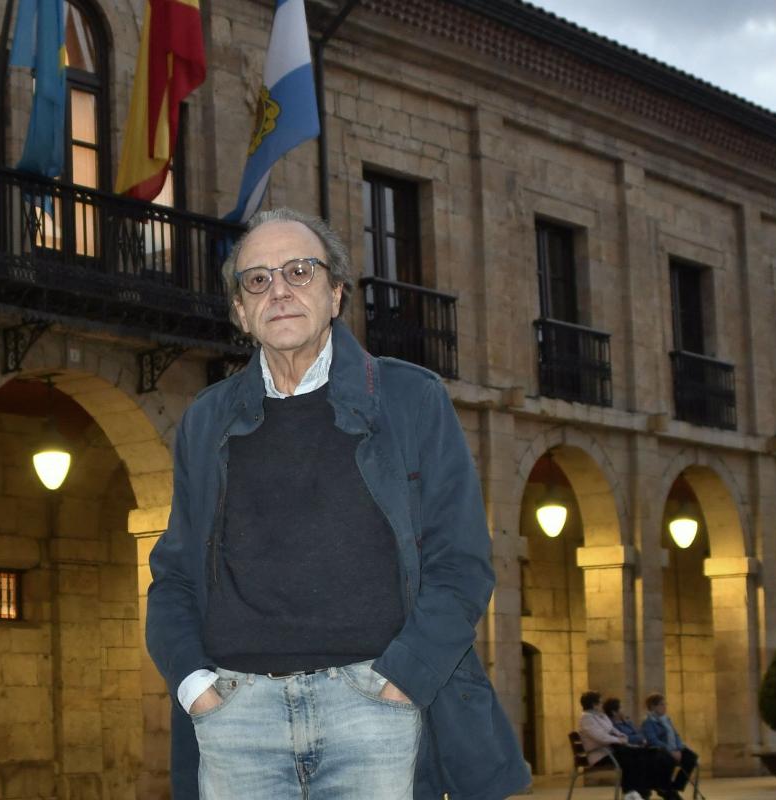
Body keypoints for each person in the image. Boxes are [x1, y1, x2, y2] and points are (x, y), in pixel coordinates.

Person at [145, 208, 530, 800]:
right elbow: (173, 575)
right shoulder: (206, 420)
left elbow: (462, 565)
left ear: (335, 293)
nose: (279, 290)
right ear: (241, 313)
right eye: (257, 280)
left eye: (300, 271)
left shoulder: (411, 399)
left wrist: (403, 679)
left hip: (374, 707)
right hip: (236, 716)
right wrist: (197, 686)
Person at [578, 690, 678, 800]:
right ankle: (641, 791)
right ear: (594, 704)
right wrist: (619, 740)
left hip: (612, 750)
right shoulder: (586, 718)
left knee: (645, 756)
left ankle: (643, 791)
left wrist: (622, 737)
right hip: (600, 755)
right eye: (600, 702)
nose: (602, 705)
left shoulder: (601, 716)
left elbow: (613, 729)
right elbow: (601, 737)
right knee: (639, 757)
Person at [642, 693, 699, 794]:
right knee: (668, 761)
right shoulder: (648, 722)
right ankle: (664, 787)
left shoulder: (667, 720)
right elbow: (653, 740)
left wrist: (679, 748)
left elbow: (676, 735)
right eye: (661, 705)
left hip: (675, 749)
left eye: (665, 704)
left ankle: (676, 786)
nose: (664, 707)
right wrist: (670, 751)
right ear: (653, 707)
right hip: (661, 751)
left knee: (691, 757)